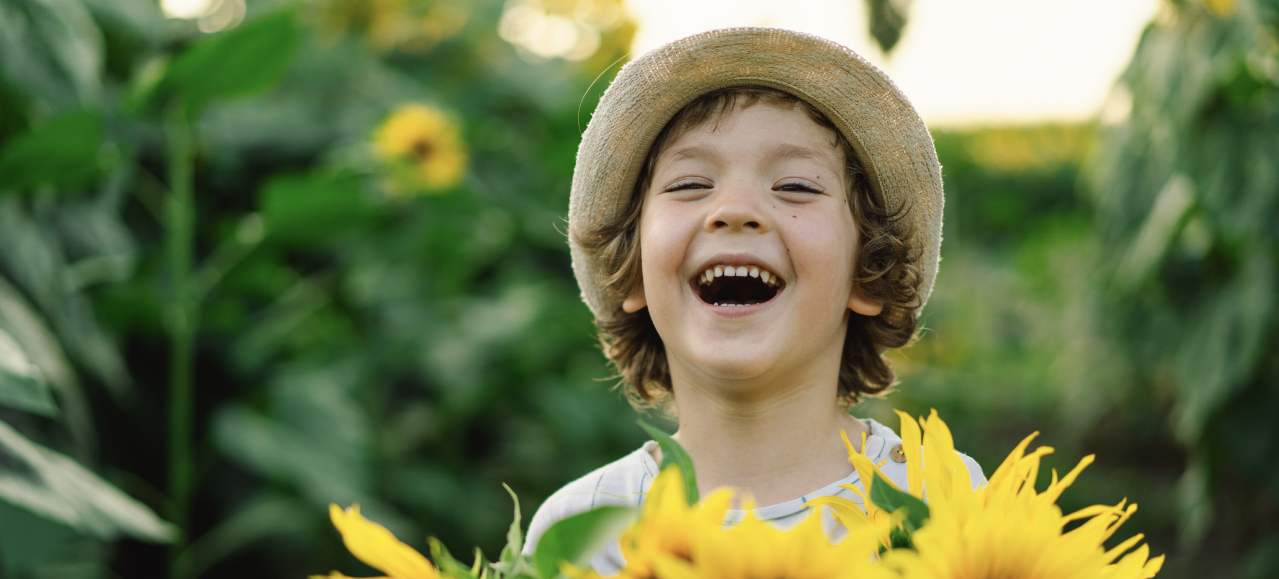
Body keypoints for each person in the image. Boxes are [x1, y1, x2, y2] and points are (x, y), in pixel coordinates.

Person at [523, 28, 984, 574]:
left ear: (867, 272)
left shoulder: (934, 498)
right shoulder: (583, 528)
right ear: (633, 271)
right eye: (690, 184)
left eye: (795, 187)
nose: (736, 209)